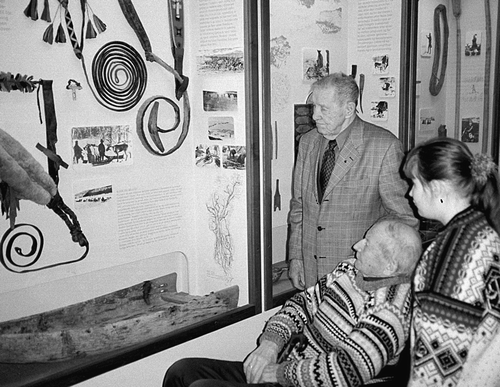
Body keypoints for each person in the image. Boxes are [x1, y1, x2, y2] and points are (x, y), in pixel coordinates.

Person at [163, 220, 422, 387]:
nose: (357, 245)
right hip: (285, 364)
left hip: (303, 381)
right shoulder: (350, 270)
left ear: (390, 266)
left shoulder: (391, 311)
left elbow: (347, 370)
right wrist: (270, 344)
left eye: (368, 244)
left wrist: (277, 373)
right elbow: (302, 303)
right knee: (182, 372)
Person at [288, 72, 418, 290]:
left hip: (360, 277)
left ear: (348, 109)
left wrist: (378, 268)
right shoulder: (308, 143)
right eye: (313, 107)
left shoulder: (383, 147)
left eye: (323, 109)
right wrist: (296, 257)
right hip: (311, 273)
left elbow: (404, 219)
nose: (314, 116)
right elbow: (299, 206)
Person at [402, 137, 500, 386]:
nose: (410, 193)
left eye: (414, 183)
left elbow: (435, 368)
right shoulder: (482, 227)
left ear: (438, 188)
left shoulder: (452, 254)